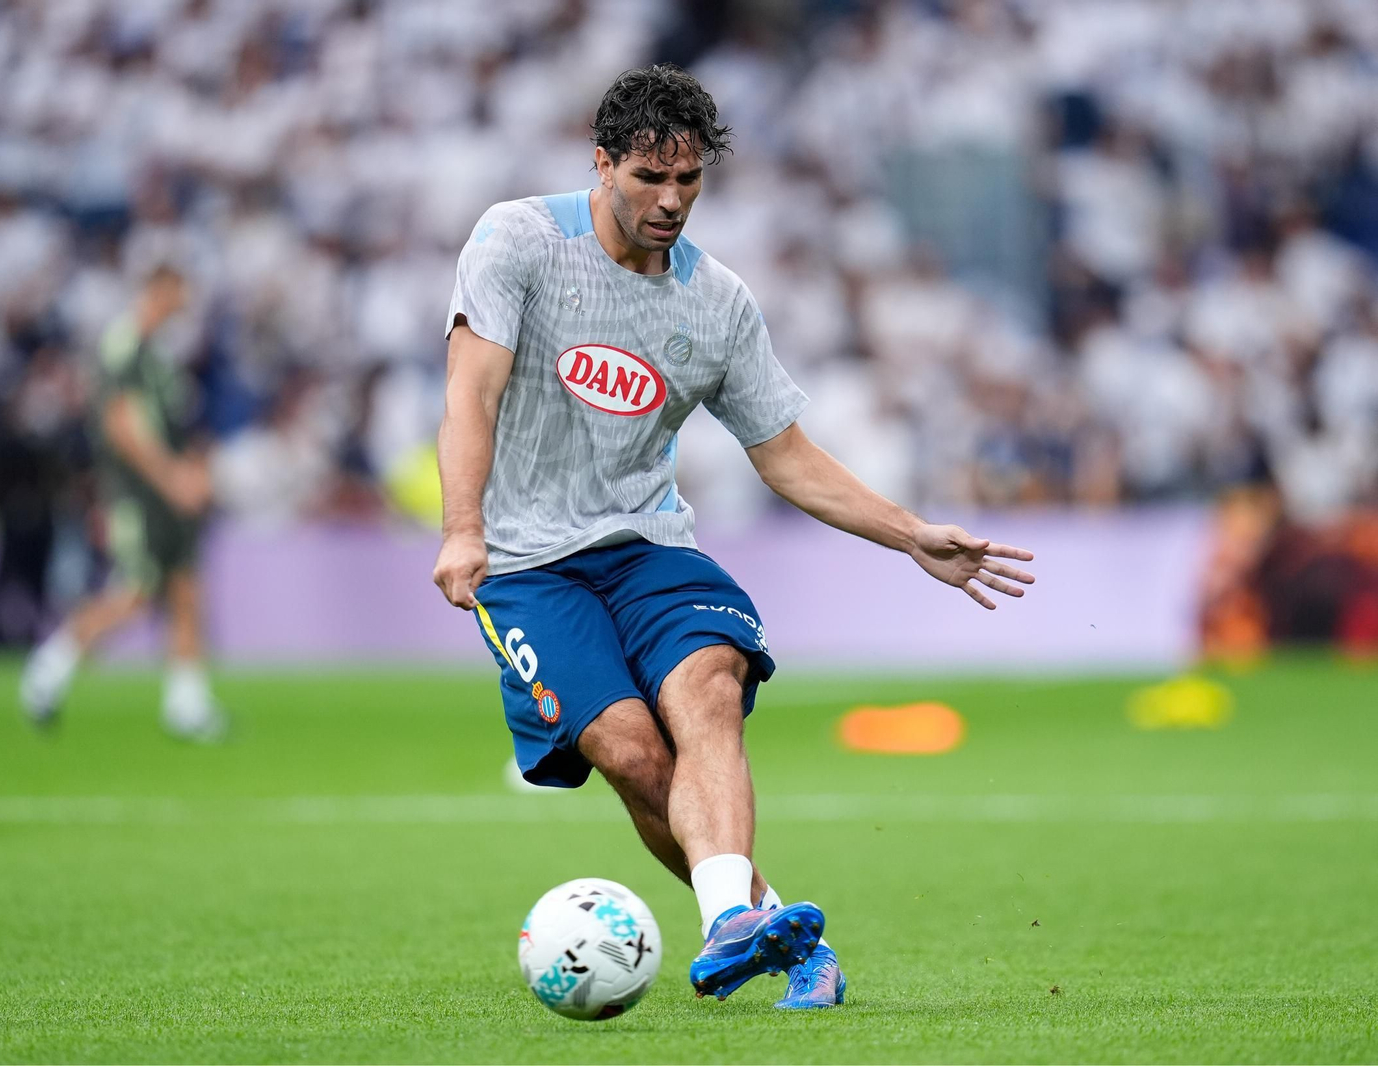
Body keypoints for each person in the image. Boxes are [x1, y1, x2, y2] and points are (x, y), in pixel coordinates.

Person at [431, 65, 1035, 1009]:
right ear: (600, 163)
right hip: (526, 562)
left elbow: (786, 456)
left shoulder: (716, 303)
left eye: (689, 182)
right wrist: (462, 529)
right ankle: (786, 934)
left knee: (709, 685)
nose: (671, 202)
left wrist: (910, 534)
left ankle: (727, 925)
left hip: (649, 547)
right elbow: (471, 390)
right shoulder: (518, 241)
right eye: (648, 179)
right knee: (631, 754)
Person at [19, 262, 226, 742]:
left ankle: (187, 704)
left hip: (168, 496)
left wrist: (193, 472)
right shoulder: (125, 345)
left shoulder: (158, 355)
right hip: (140, 495)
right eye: (177, 292)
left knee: (185, 590)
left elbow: (175, 425)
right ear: (158, 289)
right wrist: (173, 477)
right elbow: (122, 425)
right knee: (135, 592)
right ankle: (49, 666)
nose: (183, 304)